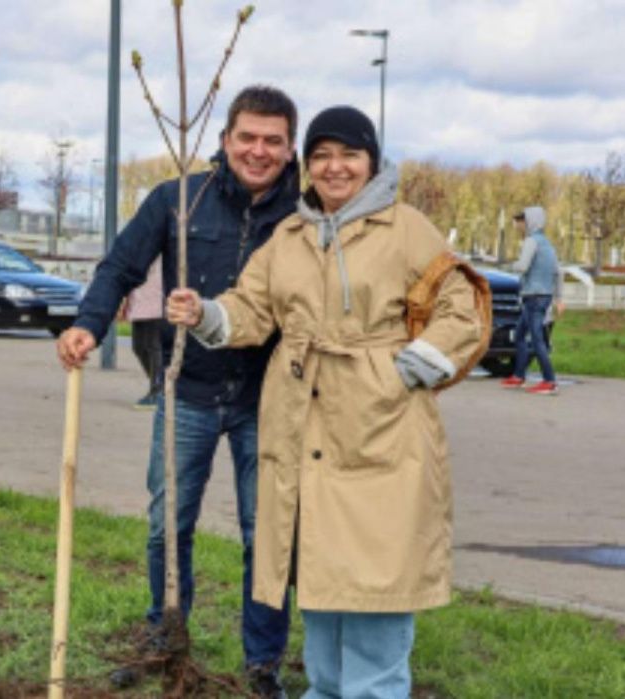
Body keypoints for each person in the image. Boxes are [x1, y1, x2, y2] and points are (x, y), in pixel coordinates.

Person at [167, 105, 487, 699]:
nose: (334, 167)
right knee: (318, 576)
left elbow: (460, 302)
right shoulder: (291, 235)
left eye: (349, 155)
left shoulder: (406, 227)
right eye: (320, 155)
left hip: (381, 427)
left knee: (374, 582)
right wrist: (207, 314)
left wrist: (409, 369)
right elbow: (252, 306)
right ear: (306, 165)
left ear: (371, 161)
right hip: (300, 426)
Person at [55, 85, 300, 696]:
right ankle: (166, 641)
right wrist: (88, 324)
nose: (259, 150)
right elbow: (119, 267)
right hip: (186, 390)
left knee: (263, 535)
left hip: (265, 400)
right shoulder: (177, 200)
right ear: (225, 140)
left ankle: (263, 663)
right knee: (169, 524)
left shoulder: (305, 217)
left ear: (291, 148)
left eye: (273, 140)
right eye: (247, 137)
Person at [500, 206, 564, 395]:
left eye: (521, 220)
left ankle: (549, 381)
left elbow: (522, 266)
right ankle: (519, 376)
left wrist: (508, 265)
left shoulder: (531, 241)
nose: (518, 224)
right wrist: (559, 298)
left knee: (537, 340)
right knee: (520, 335)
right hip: (542, 297)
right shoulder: (547, 244)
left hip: (533, 297)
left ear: (530, 222)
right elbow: (558, 272)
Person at [125, 256, 165, 409]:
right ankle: (160, 386)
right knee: (138, 347)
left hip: (156, 300)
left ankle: (158, 390)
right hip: (139, 300)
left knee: (153, 347)